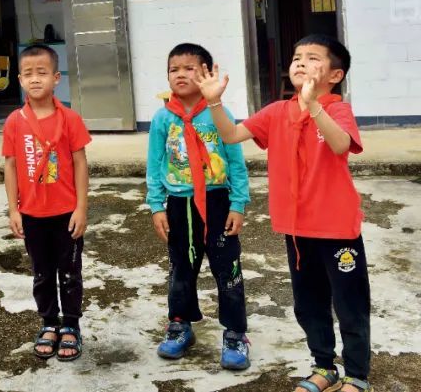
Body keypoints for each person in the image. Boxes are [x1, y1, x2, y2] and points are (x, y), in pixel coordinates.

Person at [196, 34, 370, 392]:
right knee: (308, 305)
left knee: (350, 305)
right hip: (297, 230)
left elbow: (340, 145)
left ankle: (356, 375)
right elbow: (230, 135)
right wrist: (214, 102)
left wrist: (314, 106)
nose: (301, 62)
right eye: (296, 56)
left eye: (312, 58)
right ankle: (324, 367)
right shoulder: (277, 112)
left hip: (337, 230)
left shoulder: (337, 110)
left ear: (334, 76)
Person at [147, 43, 250, 370]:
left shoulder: (219, 115)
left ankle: (235, 333)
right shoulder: (163, 118)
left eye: (188, 68)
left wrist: (238, 203)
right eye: (173, 69)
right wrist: (156, 205)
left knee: (228, 271)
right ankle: (180, 325)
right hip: (179, 204)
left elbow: (236, 162)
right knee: (180, 269)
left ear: (206, 73)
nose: (180, 74)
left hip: (217, 202)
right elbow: (154, 163)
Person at [2, 44, 90, 361]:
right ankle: (49, 323)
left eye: (42, 73)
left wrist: (81, 207)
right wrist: (14, 209)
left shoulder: (70, 118)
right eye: (28, 74)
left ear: (56, 78)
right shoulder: (14, 121)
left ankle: (71, 326)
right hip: (32, 215)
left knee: (69, 272)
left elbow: (80, 162)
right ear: (20, 80)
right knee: (41, 273)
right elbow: (10, 165)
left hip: (66, 213)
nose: (35, 79)